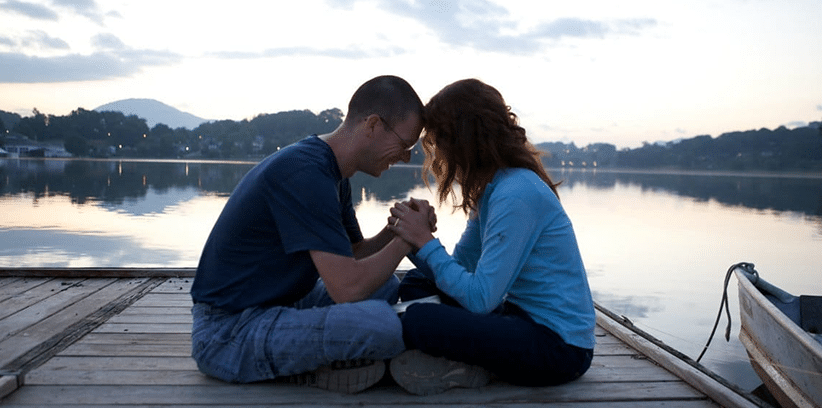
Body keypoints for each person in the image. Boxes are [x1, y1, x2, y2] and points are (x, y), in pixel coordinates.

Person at [189, 75, 426, 393]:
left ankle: (318, 358)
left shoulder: (333, 173)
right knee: (381, 326)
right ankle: (311, 368)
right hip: (227, 333)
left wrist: (396, 229)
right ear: (372, 125)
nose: (404, 158)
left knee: (384, 285)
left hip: (272, 306)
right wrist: (407, 239)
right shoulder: (305, 173)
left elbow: (353, 254)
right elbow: (347, 288)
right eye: (405, 146)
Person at [386, 78, 596, 396]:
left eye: (440, 140)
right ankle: (465, 363)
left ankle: (465, 366)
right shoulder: (494, 190)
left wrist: (426, 243)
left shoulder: (517, 194)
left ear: (463, 139)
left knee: (419, 320)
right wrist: (416, 239)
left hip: (560, 348)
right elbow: (462, 271)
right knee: (416, 283)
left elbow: (480, 300)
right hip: (519, 318)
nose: (439, 153)